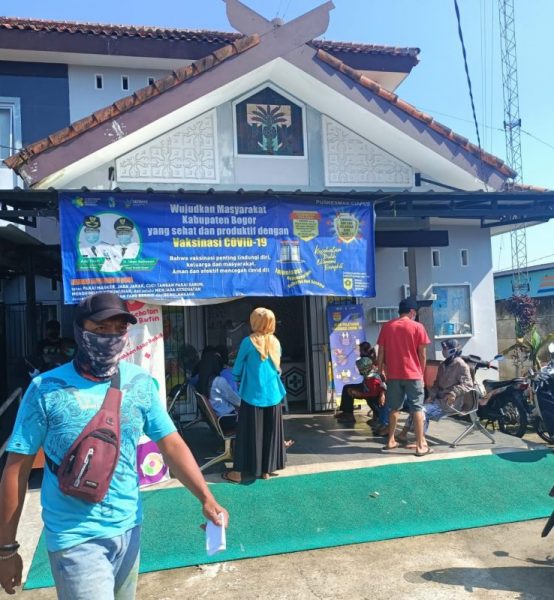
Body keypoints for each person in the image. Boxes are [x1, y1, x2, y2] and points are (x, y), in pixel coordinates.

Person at [0, 292, 228, 598]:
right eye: (100, 328)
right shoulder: (46, 389)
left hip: (129, 528)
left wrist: (206, 497)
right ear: (80, 331)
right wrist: (6, 549)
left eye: (119, 329)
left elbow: (172, 445)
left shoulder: (140, 383)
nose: (111, 337)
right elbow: (17, 469)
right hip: (74, 538)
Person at [222, 307, 287, 483]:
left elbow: (237, 366)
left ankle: (238, 472)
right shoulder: (275, 342)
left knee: (248, 432)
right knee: (270, 432)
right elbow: (277, 367)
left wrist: (236, 379)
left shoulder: (248, 342)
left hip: (252, 394)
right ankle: (267, 470)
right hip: (273, 394)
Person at [377, 297, 431, 457]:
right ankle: (420, 446)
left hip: (393, 375)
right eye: (416, 312)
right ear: (412, 312)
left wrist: (380, 370)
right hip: (413, 374)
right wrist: (421, 374)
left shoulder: (387, 326)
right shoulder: (418, 327)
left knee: (394, 408)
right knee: (417, 408)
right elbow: (422, 354)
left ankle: (390, 441)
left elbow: (381, 351)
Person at [397, 339, 474, 443]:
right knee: (416, 408)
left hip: (449, 403)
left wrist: (453, 393)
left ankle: (421, 441)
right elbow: (437, 384)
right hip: (437, 400)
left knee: (421, 412)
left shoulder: (461, 365)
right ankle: (403, 433)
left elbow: (468, 384)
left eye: (445, 349)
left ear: (453, 350)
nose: (443, 351)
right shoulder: (443, 365)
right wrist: (431, 395)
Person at [335, 341, 377, 423]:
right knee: (347, 387)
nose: (359, 352)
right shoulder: (372, 358)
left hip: (369, 387)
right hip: (368, 385)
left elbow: (361, 370)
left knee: (348, 389)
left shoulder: (365, 360)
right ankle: (346, 413)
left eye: (360, 350)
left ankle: (348, 414)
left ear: (363, 351)